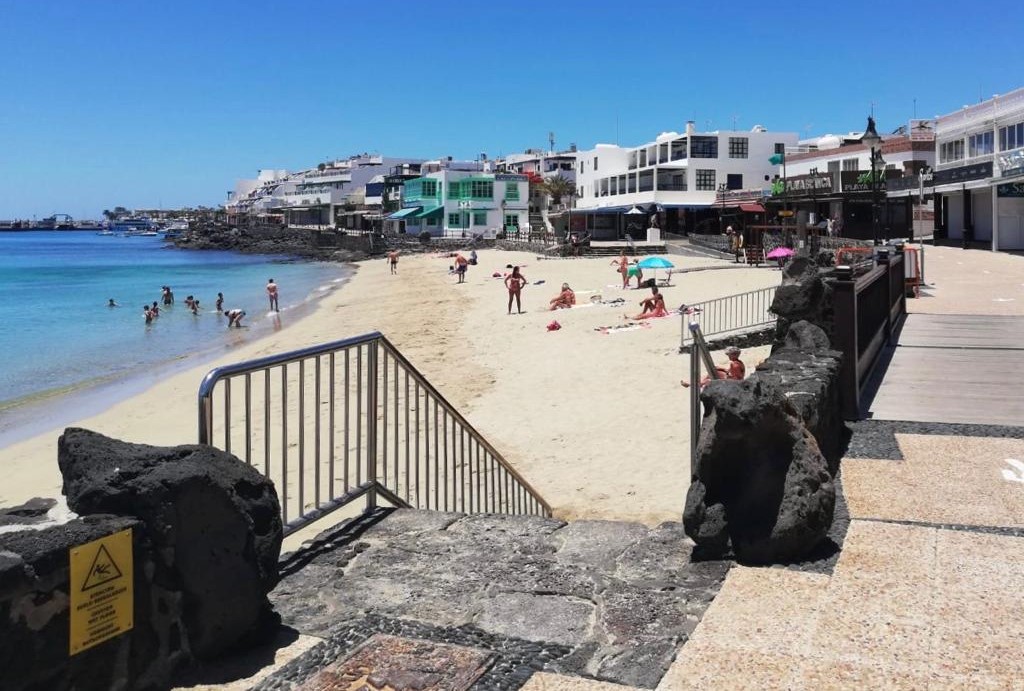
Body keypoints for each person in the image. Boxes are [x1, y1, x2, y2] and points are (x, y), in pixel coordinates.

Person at [681, 345, 746, 388]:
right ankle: (693, 382)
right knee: (712, 372)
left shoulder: (734, 365)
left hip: (732, 384)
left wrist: (726, 376)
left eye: (729, 355)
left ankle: (692, 384)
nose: (728, 356)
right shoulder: (738, 362)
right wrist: (722, 369)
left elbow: (735, 379)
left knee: (708, 381)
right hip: (732, 380)